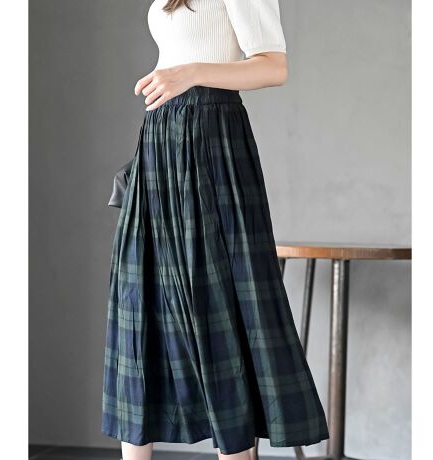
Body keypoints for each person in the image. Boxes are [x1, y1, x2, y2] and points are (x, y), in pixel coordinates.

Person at [101, 1, 330, 460]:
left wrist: (189, 74)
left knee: (221, 296)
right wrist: (174, 82)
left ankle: (236, 447)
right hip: (161, 138)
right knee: (140, 298)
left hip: (210, 135)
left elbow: (273, 67)